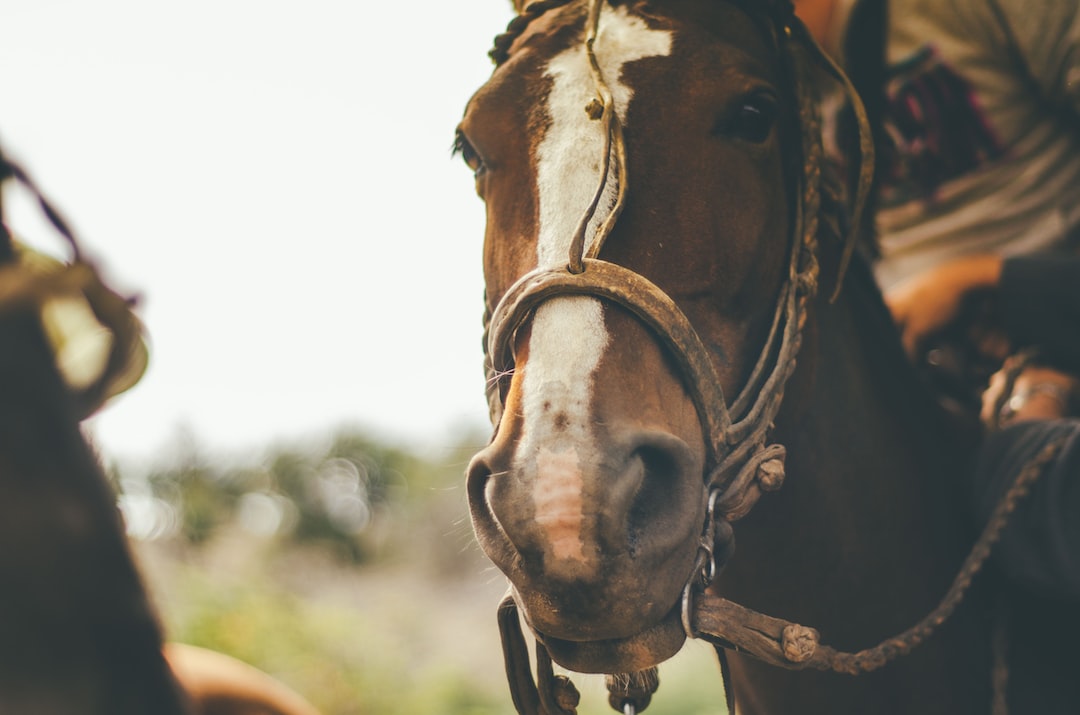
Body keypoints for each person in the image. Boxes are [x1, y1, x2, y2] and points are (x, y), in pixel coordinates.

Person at [791, 1, 1080, 711]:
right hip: (928, 380)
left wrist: (988, 282)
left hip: (1047, 336)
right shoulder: (767, 75)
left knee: (1026, 495)